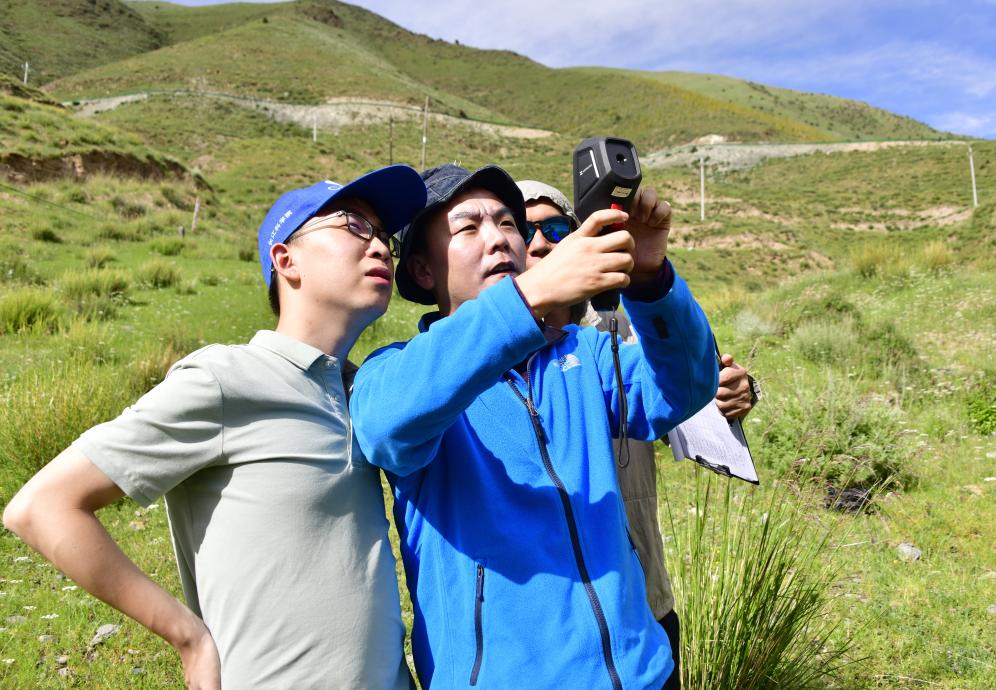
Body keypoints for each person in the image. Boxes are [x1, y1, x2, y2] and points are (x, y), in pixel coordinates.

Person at [3, 166, 427, 689]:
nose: (381, 247)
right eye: (354, 226)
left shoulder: (362, 392)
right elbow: (42, 507)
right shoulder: (226, 378)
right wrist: (188, 637)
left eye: (385, 236)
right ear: (286, 260)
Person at [350, 163, 719, 689]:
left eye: (508, 223)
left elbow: (685, 387)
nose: (499, 238)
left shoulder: (583, 353)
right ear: (424, 271)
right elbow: (386, 426)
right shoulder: (398, 371)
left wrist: (650, 281)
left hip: (642, 673)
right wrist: (529, 297)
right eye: (468, 227)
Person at [517, 179, 760, 690]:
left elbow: (686, 400)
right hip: (543, 615)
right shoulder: (482, 348)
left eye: (556, 229)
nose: (540, 243)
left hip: (641, 591)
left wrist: (734, 392)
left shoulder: (623, 331)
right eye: (523, 228)